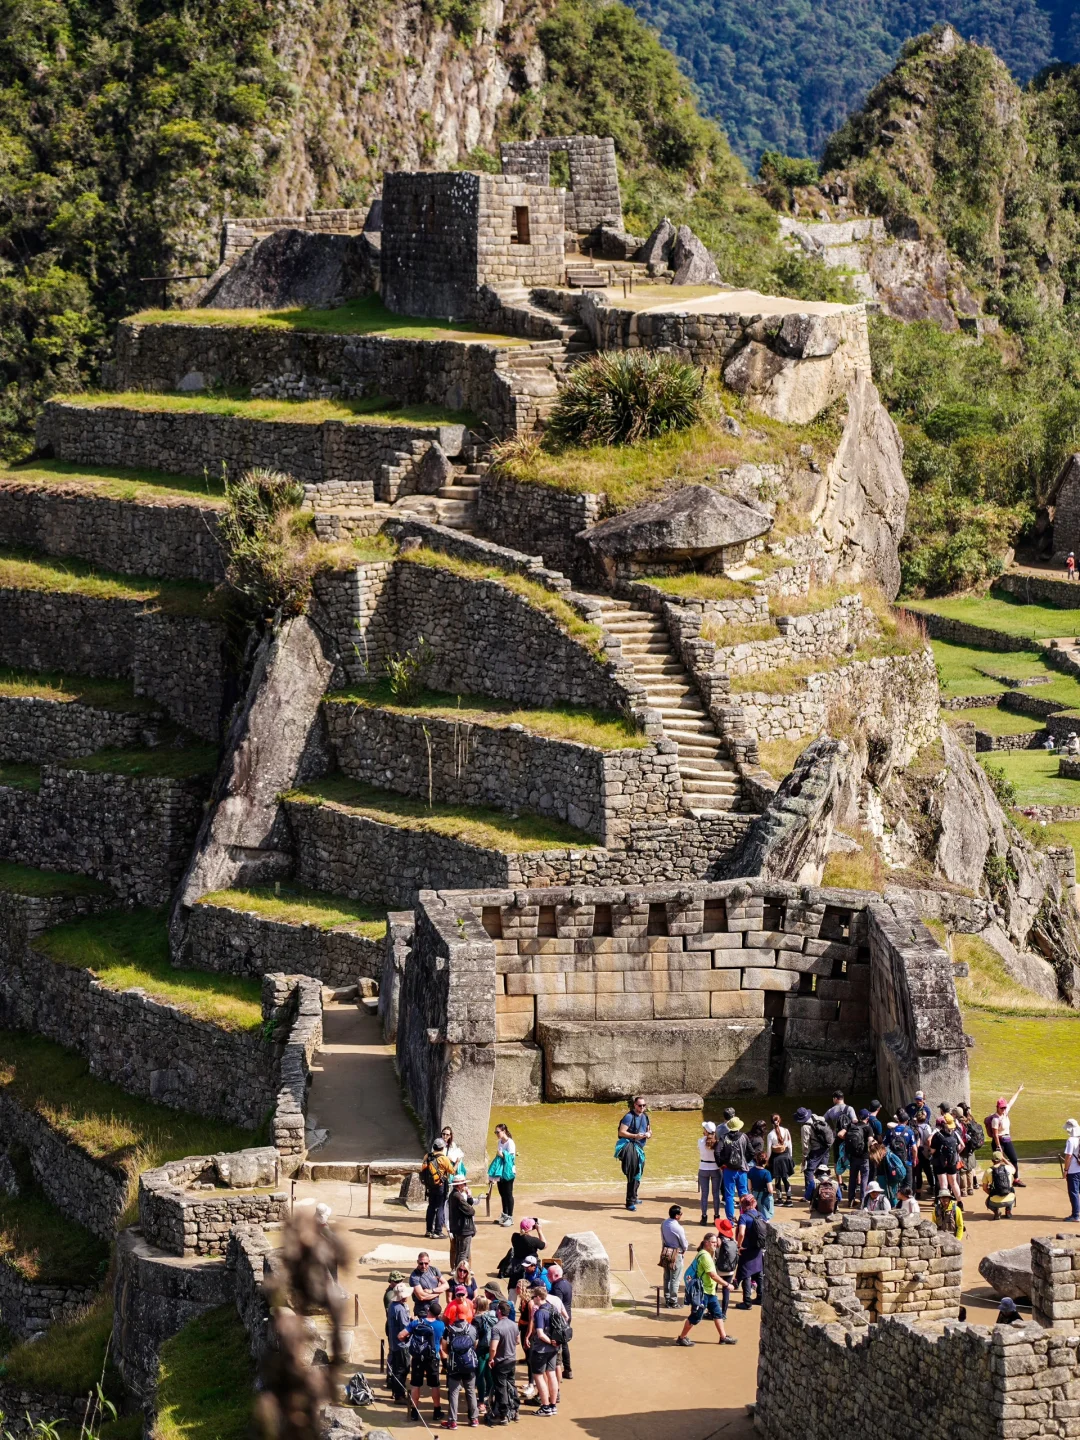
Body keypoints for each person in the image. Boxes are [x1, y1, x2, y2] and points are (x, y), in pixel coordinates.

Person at [674, 1233, 738, 1347]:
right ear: (706, 1243)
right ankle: (681, 1338)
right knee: (695, 1317)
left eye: (716, 1242)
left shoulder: (707, 1254)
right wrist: (727, 1285)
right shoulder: (704, 1256)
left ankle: (723, 1337)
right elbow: (712, 1275)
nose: (715, 1245)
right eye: (713, 1242)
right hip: (702, 1293)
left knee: (717, 1313)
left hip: (710, 1292)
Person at [400, 1299, 446, 1423]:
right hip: (433, 1358)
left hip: (417, 1358)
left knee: (416, 1385)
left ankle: (414, 1413)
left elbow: (400, 1335)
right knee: (435, 1385)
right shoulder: (441, 1325)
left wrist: (407, 1341)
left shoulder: (416, 1323)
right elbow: (442, 1341)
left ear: (428, 1311)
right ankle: (437, 1411)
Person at [441, 1306, 480, 1429]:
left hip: (454, 1364)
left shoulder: (448, 1329)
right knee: (470, 1391)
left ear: (456, 1315)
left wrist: (451, 1353)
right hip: (469, 1364)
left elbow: (444, 1347)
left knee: (454, 1392)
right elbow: (475, 1345)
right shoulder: (472, 1329)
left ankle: (452, 1421)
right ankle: (474, 1419)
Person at [524, 1284, 559, 1416]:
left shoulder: (540, 1312)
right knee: (551, 1374)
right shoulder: (553, 1308)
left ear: (538, 1297)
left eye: (533, 1297)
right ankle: (553, 1405)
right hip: (553, 1350)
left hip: (541, 1350)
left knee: (538, 1376)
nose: (532, 1300)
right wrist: (554, 1343)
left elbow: (540, 1334)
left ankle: (545, 1406)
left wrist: (550, 1342)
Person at [617, 1096, 651, 1211]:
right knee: (632, 1173)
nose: (642, 1107)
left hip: (640, 1148)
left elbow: (648, 1129)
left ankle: (634, 1196)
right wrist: (635, 1136)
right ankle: (629, 1201)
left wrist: (648, 1134)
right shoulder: (628, 1117)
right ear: (634, 1105)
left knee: (639, 1173)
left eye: (644, 1105)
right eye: (640, 1105)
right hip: (630, 1147)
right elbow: (621, 1132)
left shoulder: (645, 1116)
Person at [488, 1300, 519, 1425]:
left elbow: (493, 1348)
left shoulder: (496, 1328)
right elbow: (517, 1341)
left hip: (501, 1362)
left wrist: (491, 1359)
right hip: (512, 1359)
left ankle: (503, 1414)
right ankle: (515, 1410)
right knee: (511, 1385)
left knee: (501, 1388)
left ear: (499, 1311)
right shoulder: (514, 1325)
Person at [718, 1115, 753, 1221]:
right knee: (743, 1194)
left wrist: (721, 1163)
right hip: (742, 1170)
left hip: (728, 1170)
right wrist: (745, 1161)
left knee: (729, 1196)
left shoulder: (724, 1137)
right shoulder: (744, 1137)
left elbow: (717, 1152)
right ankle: (745, 1216)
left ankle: (730, 1220)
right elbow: (752, 1152)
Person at [794, 1107, 833, 1201]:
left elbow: (805, 1144)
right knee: (823, 1169)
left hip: (816, 1150)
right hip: (826, 1147)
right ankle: (826, 1191)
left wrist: (804, 1157)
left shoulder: (805, 1127)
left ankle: (810, 1195)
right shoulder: (817, 1117)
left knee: (808, 1171)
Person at [988, 1088, 1025, 1186]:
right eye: (1002, 1108)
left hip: (1007, 1140)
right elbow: (995, 1134)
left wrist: (1018, 1091)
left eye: (1004, 1107)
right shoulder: (995, 1119)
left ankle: (1016, 1179)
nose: (1004, 1109)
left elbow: (1012, 1101)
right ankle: (996, 1180)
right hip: (999, 1141)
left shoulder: (1005, 1112)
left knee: (1014, 1159)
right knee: (998, 1161)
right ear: (997, 1107)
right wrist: (998, 1146)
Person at [734, 1193, 764, 1308]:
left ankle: (747, 1302)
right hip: (758, 1248)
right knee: (759, 1272)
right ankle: (760, 1297)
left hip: (746, 1248)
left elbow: (741, 1233)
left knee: (746, 1274)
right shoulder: (760, 1215)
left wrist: (739, 1245)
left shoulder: (744, 1217)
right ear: (754, 1203)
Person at [422, 1138, 454, 1239]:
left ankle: (428, 1230)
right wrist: (456, 1163)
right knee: (440, 1207)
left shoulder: (427, 1156)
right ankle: (437, 1231)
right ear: (442, 1147)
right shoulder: (444, 1158)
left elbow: (422, 1169)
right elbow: (452, 1171)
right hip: (440, 1185)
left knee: (431, 1206)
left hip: (430, 1186)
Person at [386, 1280, 412, 1403]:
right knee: (402, 1369)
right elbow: (405, 1327)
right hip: (401, 1344)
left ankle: (397, 1392)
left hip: (394, 1343)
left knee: (397, 1368)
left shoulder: (392, 1305)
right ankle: (399, 1395)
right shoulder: (400, 1309)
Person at [546, 1262, 573, 1381]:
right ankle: (567, 1369)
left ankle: (556, 1369)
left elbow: (556, 1304)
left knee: (557, 1344)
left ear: (555, 1275)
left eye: (549, 1274)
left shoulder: (557, 1287)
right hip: (567, 1317)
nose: (547, 1276)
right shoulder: (567, 1283)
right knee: (565, 1344)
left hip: (559, 1320)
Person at [660, 1204, 689, 1309]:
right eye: (680, 1213)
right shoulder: (678, 1228)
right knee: (675, 1279)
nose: (681, 1215)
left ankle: (667, 1299)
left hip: (666, 1251)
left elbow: (662, 1238)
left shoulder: (664, 1223)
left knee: (667, 1277)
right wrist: (684, 1249)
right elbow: (684, 1244)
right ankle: (673, 1301)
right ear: (677, 1216)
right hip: (676, 1253)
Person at [488, 1123, 517, 1228]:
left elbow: (511, 1158)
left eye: (498, 1132)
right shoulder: (500, 1142)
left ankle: (510, 1217)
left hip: (508, 1173)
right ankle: (504, 1215)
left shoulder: (510, 1143)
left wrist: (501, 1154)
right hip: (501, 1172)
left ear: (504, 1131)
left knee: (508, 1194)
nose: (496, 1134)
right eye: (495, 1132)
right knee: (502, 1194)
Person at [472, 1293, 496, 1418]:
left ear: (478, 1305)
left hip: (481, 1349)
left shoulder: (477, 1319)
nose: (473, 1303)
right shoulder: (492, 1315)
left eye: (475, 1302)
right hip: (491, 1348)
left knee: (479, 1375)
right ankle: (489, 1397)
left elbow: (474, 1337)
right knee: (488, 1373)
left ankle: (481, 1402)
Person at [843, 1110, 872, 1209]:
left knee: (852, 1178)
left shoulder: (851, 1126)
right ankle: (863, 1202)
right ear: (867, 1118)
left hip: (853, 1156)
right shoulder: (868, 1128)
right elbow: (870, 1141)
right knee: (864, 1178)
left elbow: (842, 1135)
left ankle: (851, 1200)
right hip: (864, 1157)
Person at [448, 1174, 477, 1270]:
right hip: (463, 1229)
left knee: (460, 1252)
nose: (465, 1185)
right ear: (459, 1185)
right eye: (464, 1184)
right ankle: (460, 1273)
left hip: (459, 1228)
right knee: (463, 1254)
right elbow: (471, 1211)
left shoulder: (453, 1195)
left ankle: (459, 1271)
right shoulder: (458, 1197)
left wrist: (469, 1198)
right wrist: (469, 1196)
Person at [931, 1114, 963, 1202]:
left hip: (939, 1162)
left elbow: (932, 1150)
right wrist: (956, 1153)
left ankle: (944, 1204)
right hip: (952, 1161)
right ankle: (959, 1202)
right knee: (954, 1183)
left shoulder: (937, 1135)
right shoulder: (955, 1134)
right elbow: (961, 1146)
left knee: (943, 1185)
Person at [506, 1217, 546, 1285]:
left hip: (517, 1266)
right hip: (529, 1266)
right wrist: (539, 1230)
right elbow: (544, 1245)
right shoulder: (533, 1240)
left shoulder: (514, 1236)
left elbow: (523, 1235)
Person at [714, 1218, 739, 1323]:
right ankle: (724, 1313)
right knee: (726, 1291)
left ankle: (712, 1311)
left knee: (713, 1290)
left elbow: (714, 1254)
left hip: (719, 1269)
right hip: (730, 1269)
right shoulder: (733, 1241)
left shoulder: (719, 1240)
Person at [767, 1113, 794, 1207]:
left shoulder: (770, 1134)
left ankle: (779, 1199)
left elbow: (769, 1150)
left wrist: (767, 1160)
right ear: (780, 1120)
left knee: (777, 1179)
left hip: (776, 1158)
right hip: (786, 1156)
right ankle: (789, 1199)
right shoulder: (786, 1131)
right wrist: (790, 1157)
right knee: (785, 1178)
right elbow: (790, 1145)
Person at [698, 1120, 721, 1223]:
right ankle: (716, 1216)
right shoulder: (718, 1142)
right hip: (715, 1169)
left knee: (704, 1194)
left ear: (706, 1131)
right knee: (716, 1194)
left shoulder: (700, 1141)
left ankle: (704, 1216)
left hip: (703, 1168)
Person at [984, 1149, 1017, 1219]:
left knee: (987, 1202)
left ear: (992, 1160)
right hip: (1009, 1199)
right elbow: (1014, 1168)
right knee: (1011, 1192)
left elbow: (984, 1188)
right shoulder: (1008, 1168)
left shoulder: (988, 1171)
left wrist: (992, 1193)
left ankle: (996, 1212)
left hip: (994, 1200)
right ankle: (1008, 1211)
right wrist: (1004, 1159)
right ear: (1001, 1159)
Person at [748, 1153, 775, 1220]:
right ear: (766, 1161)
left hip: (755, 1194)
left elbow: (749, 1187)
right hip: (765, 1196)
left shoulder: (751, 1171)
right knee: (766, 1216)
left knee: (756, 1215)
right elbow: (770, 1189)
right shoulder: (767, 1173)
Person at [1063, 1119, 1080, 1222]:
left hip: (1073, 1171)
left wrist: (1065, 1170)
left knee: (1073, 1192)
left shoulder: (1071, 1140)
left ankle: (1076, 1215)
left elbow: (1068, 1156)